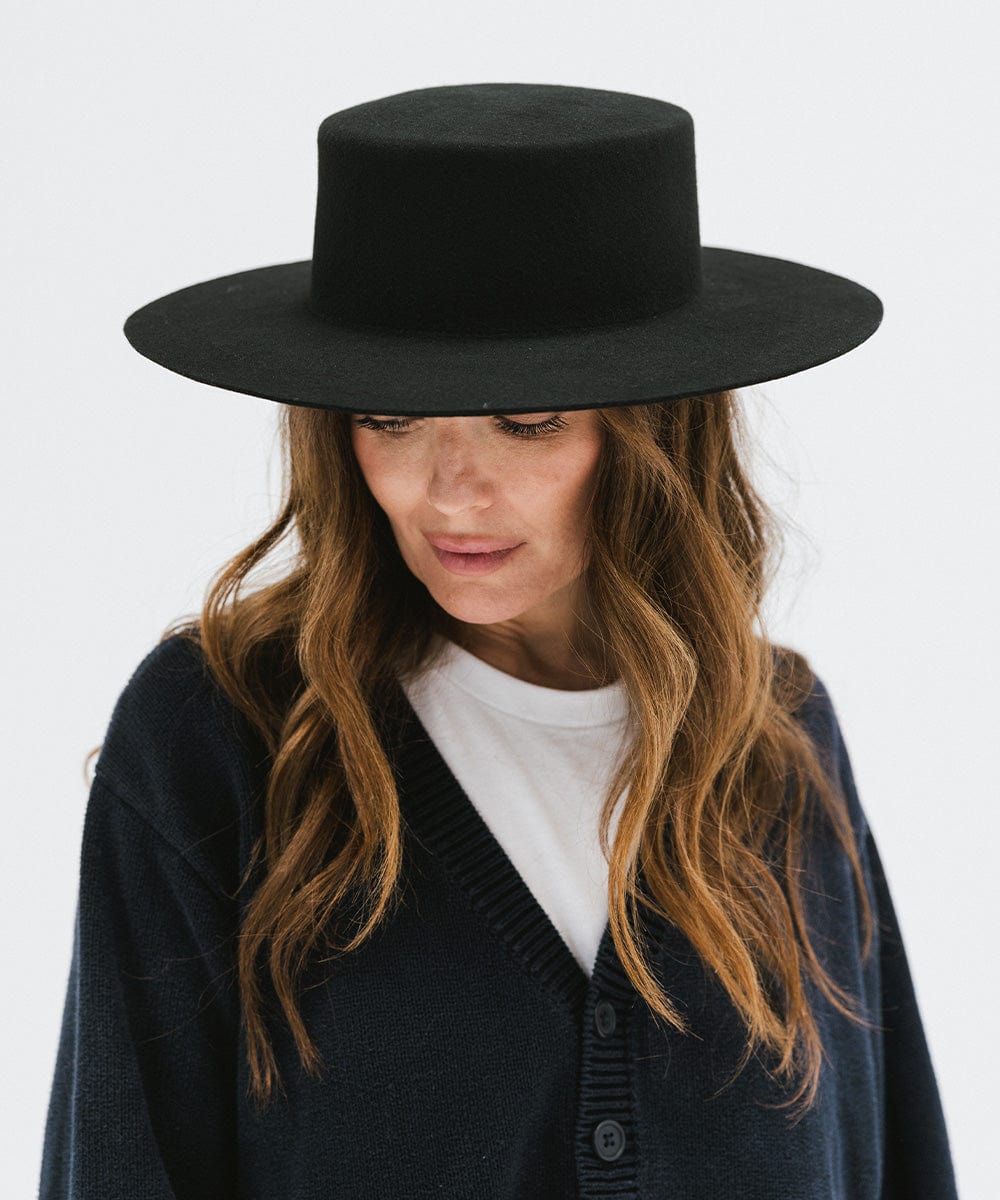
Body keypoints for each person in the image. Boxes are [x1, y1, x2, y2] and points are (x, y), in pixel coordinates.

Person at [38, 83, 959, 1199]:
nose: (451, 493)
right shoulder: (223, 733)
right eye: (389, 420)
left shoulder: (771, 738)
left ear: (656, 428)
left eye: (527, 422)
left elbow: (892, 1160)